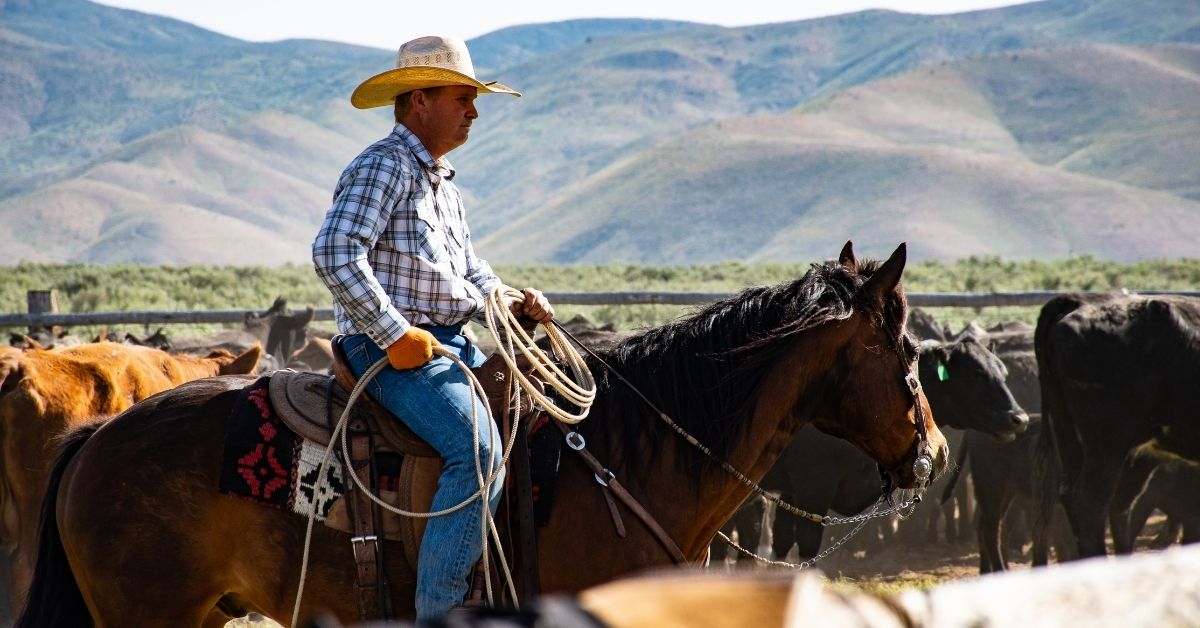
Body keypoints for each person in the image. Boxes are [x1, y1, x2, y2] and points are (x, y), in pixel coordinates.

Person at [311, 35, 555, 621]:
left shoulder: (443, 182)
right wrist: (394, 333)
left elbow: (470, 270)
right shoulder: (382, 166)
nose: (474, 110)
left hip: (448, 346)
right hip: (385, 351)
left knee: (540, 422)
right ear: (420, 100)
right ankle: (440, 616)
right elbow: (335, 251)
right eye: (463, 97)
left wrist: (512, 300)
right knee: (476, 452)